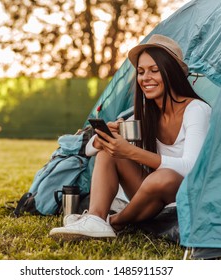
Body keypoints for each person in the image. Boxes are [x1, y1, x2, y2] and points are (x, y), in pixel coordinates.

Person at [49, 34, 212, 241]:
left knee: (163, 177)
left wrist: (131, 152)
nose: (145, 78)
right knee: (111, 153)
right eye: (141, 72)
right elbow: (90, 150)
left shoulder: (196, 109)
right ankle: (96, 218)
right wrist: (101, 140)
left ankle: (113, 222)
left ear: (172, 72)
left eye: (154, 70)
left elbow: (191, 167)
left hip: (184, 193)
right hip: (150, 195)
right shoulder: (147, 113)